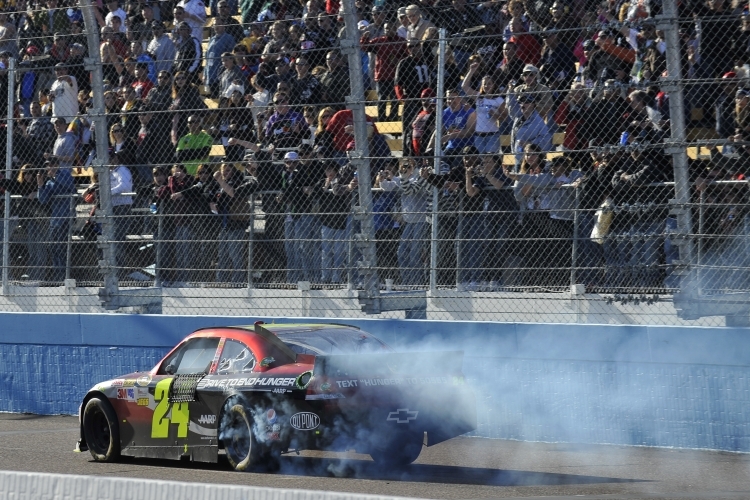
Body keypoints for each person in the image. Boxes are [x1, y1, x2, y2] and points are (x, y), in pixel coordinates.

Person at [379, 158, 430, 287]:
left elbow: (409, 188)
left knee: (415, 253)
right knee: (402, 252)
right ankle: (407, 282)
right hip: (409, 220)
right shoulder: (402, 178)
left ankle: (417, 284)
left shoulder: (419, 177)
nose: (406, 168)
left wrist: (397, 178)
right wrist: (382, 179)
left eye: (408, 165)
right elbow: (387, 187)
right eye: (403, 165)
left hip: (421, 219)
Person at [0, 164, 48, 281]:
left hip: (41, 220)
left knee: (40, 250)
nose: (28, 176)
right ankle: (32, 277)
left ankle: (38, 277)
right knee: (32, 250)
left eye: (30, 173)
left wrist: (37, 193)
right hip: (30, 221)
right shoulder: (23, 186)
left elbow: (48, 193)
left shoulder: (41, 184)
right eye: (25, 173)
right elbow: (11, 185)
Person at [213, 162, 259, 284]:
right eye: (224, 170)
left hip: (235, 223)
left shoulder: (237, 181)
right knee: (222, 255)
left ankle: (238, 281)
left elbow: (231, 195)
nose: (225, 173)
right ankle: (221, 281)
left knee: (235, 255)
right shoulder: (222, 184)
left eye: (228, 170)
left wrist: (220, 182)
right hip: (224, 224)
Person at [36, 157, 75, 283]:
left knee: (62, 247)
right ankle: (58, 276)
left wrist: (56, 174)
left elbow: (70, 185)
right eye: (47, 165)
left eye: (51, 165)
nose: (49, 168)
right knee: (54, 247)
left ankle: (64, 276)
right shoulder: (49, 182)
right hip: (55, 219)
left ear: (57, 165)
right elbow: (43, 200)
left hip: (65, 216)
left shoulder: (65, 175)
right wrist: (40, 185)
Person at [462, 62, 506, 154]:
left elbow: (504, 117)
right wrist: (471, 71)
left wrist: (495, 115)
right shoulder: (479, 97)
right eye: (484, 84)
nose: (486, 86)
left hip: (492, 135)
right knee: (481, 160)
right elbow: (464, 86)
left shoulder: (498, 100)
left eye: (489, 84)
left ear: (494, 85)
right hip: (478, 135)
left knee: (491, 159)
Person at [109, 151, 134, 278]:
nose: (110, 160)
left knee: (117, 238)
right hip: (113, 208)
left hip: (122, 207)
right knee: (112, 239)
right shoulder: (109, 172)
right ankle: (118, 269)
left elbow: (124, 186)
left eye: (111, 158)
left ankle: (123, 270)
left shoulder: (122, 169)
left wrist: (108, 192)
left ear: (116, 158)